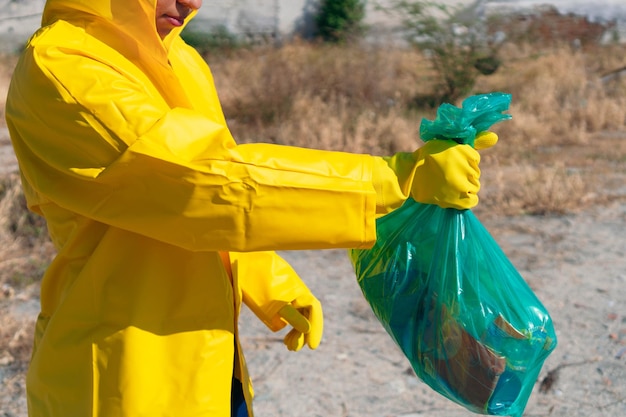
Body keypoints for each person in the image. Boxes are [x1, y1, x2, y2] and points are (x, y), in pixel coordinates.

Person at [4, 0, 497, 416]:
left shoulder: (183, 61)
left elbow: (215, 203)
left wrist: (266, 280)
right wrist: (394, 178)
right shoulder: (64, 68)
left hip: (212, 362)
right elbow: (202, 181)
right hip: (121, 371)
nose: (192, 2)